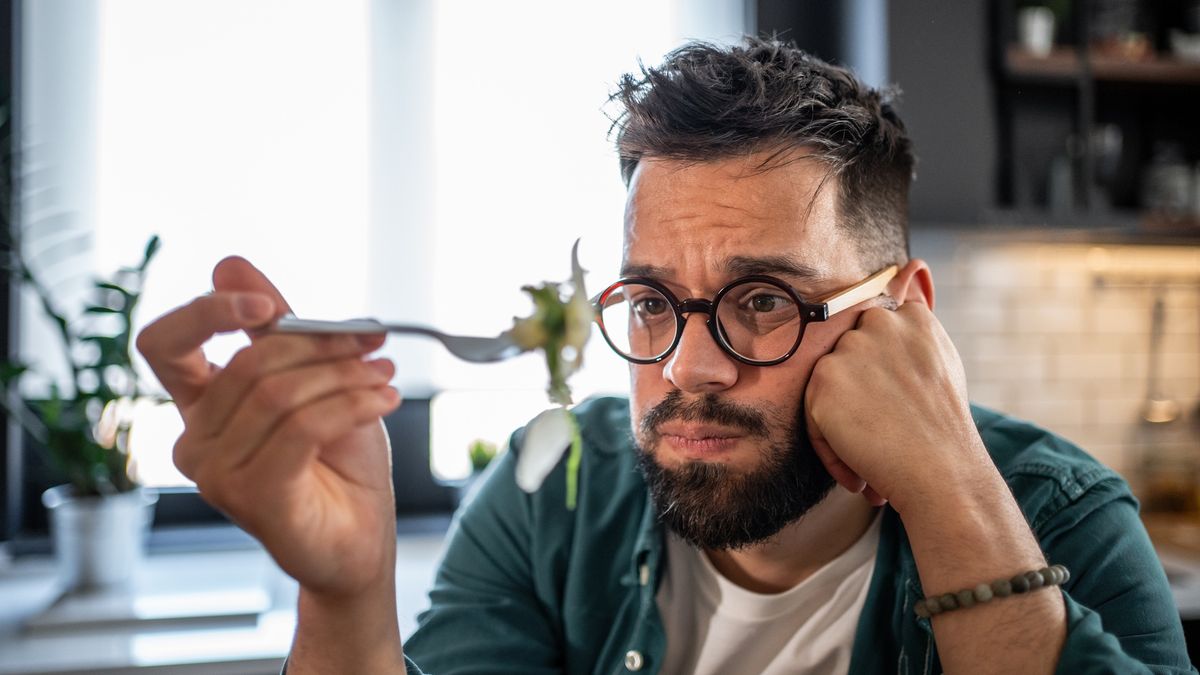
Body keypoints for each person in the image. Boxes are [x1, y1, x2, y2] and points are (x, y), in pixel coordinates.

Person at [137, 38, 1193, 674]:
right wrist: (344, 598)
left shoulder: (1058, 518)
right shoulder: (551, 499)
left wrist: (954, 492)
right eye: (650, 303)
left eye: (763, 300)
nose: (689, 368)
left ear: (904, 314)